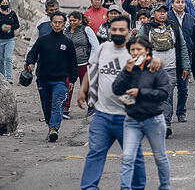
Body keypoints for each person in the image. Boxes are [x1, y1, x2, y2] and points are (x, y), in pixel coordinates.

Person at [77, 15, 152, 190]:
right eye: (114, 29)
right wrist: (83, 89)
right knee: (95, 153)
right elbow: (92, 68)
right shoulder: (103, 48)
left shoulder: (135, 52)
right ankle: (89, 187)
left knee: (133, 156)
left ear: (128, 31)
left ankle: (137, 187)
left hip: (127, 118)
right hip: (102, 115)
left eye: (121, 30)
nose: (117, 32)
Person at [113, 35, 172, 190]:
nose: (135, 53)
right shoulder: (129, 69)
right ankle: (125, 188)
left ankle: (165, 187)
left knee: (160, 157)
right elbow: (116, 89)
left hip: (154, 119)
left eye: (139, 49)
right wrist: (126, 71)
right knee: (127, 158)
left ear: (147, 51)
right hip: (132, 120)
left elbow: (164, 92)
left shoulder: (155, 68)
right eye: (132, 50)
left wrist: (140, 92)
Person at [25, 11, 78, 142]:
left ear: (64, 24)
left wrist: (72, 79)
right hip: (43, 79)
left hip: (60, 80)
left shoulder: (68, 42)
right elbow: (32, 53)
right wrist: (30, 63)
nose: (57, 25)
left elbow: (73, 63)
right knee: (46, 106)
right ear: (51, 23)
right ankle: (50, 126)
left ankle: (54, 128)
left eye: (60, 22)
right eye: (55, 22)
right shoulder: (42, 40)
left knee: (57, 104)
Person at [139, 3, 190, 138]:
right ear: (153, 14)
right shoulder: (145, 28)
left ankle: (165, 124)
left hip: (171, 69)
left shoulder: (173, 26)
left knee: (166, 96)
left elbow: (183, 46)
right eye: (159, 11)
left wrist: (185, 66)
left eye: (164, 12)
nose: (162, 14)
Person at [168, 0, 195, 122]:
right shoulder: (167, 18)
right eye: (177, 2)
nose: (180, 4)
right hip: (170, 58)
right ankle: (168, 114)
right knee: (169, 89)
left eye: (182, 2)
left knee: (183, 88)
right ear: (172, 4)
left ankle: (181, 112)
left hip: (186, 58)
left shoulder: (190, 18)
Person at [62, 11, 99, 119]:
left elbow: (95, 45)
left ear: (80, 20)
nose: (72, 22)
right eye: (70, 20)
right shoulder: (66, 31)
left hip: (84, 63)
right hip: (69, 64)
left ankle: (92, 107)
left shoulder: (86, 30)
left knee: (86, 86)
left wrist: (91, 61)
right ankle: (65, 108)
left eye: (74, 20)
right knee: (67, 85)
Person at [0, 0, 19, 84]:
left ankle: (9, 78)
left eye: (6, 3)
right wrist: (2, 28)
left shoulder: (12, 13)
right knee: (1, 59)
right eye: (3, 4)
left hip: (10, 39)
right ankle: (2, 77)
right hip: (0, 40)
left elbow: (17, 25)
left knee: (8, 58)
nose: (5, 5)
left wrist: (10, 27)